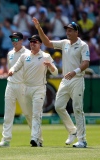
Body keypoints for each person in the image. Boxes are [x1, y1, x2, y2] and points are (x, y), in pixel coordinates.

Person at [32, 17, 90, 148]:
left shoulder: (83, 45)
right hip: (65, 80)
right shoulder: (64, 43)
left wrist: (75, 71)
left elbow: (86, 63)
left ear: (77, 32)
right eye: (67, 31)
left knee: (77, 109)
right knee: (58, 106)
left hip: (77, 79)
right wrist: (39, 28)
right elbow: (47, 43)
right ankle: (72, 131)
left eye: (70, 31)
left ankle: (82, 140)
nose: (68, 33)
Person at [8, 34, 58, 147]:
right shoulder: (25, 56)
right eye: (31, 42)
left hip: (39, 88)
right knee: (29, 115)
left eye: (35, 42)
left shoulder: (45, 56)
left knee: (36, 114)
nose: (32, 43)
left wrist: (50, 65)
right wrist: (12, 70)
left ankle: (34, 138)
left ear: (40, 44)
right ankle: (39, 139)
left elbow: (55, 72)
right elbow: (16, 66)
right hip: (26, 88)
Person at [0, 32, 31, 147]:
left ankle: (36, 138)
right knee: (8, 114)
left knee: (27, 113)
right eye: (12, 39)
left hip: (23, 85)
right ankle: (6, 140)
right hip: (10, 84)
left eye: (16, 39)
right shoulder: (10, 53)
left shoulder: (27, 53)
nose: (14, 41)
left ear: (21, 40)